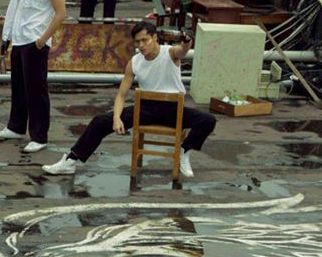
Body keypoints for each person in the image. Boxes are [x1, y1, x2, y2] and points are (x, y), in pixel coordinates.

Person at [43, 21, 215, 179]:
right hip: (145, 109)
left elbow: (182, 50)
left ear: (155, 38)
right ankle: (70, 161)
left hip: (173, 109)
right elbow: (121, 94)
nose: (141, 45)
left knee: (208, 120)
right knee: (99, 122)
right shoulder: (134, 62)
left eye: (145, 40)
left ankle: (185, 150)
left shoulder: (169, 53)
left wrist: (186, 41)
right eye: (137, 42)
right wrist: (116, 118)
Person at [0, 0, 66, 154]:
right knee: (19, 86)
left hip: (35, 40)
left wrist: (43, 39)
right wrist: (6, 36)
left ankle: (39, 136)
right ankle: (16, 126)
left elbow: (61, 13)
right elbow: (14, 5)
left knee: (36, 90)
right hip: (19, 37)